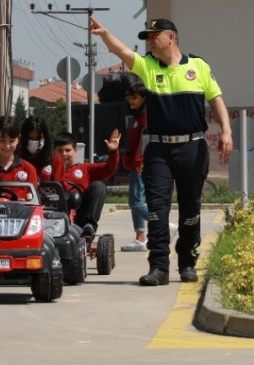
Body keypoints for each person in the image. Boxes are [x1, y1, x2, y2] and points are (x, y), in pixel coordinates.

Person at [89, 16, 233, 286]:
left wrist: (226, 131)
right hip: (158, 150)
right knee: (156, 208)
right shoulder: (148, 66)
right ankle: (159, 267)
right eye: (148, 38)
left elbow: (216, 99)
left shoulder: (198, 66)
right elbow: (123, 51)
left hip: (192, 146)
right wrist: (105, 34)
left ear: (171, 37)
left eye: (154, 37)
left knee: (190, 208)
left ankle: (188, 263)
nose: (150, 42)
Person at [47, 129, 121, 234]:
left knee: (99, 186)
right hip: (54, 214)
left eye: (68, 150)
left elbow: (109, 169)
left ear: (75, 151)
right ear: (54, 152)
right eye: (60, 150)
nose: (64, 154)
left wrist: (113, 152)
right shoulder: (48, 170)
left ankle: (89, 226)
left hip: (80, 215)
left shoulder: (84, 169)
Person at [121, 81, 151, 251]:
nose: (131, 101)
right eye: (130, 97)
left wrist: (140, 162)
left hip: (139, 165)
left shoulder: (146, 118)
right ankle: (140, 238)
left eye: (135, 98)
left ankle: (161, 223)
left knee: (135, 202)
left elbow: (144, 142)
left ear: (144, 99)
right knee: (137, 201)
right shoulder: (137, 117)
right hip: (134, 164)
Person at [20, 115, 56, 179]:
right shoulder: (15, 159)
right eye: (30, 138)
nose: (33, 142)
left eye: (38, 139)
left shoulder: (55, 160)